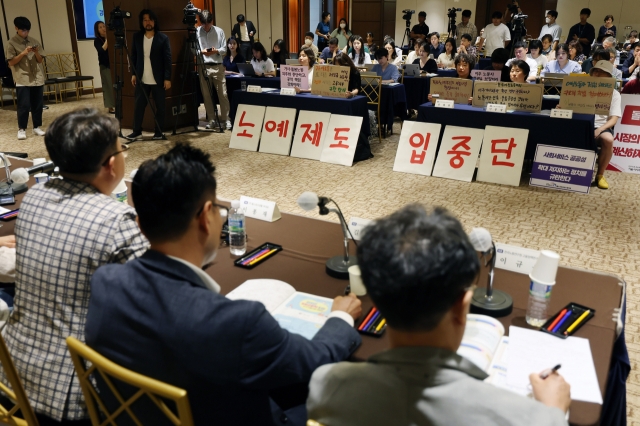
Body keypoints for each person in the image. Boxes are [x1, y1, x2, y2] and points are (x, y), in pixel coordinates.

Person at [85, 143, 362, 425]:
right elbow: (312, 362)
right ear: (206, 216)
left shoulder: (107, 283)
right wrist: (340, 317)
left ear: (140, 224)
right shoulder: (237, 322)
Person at [307, 204, 571, 426]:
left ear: (377, 297)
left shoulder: (326, 385)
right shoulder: (527, 418)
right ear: (462, 306)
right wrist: (554, 412)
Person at [0, 108, 149, 423]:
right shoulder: (115, 220)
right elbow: (152, 300)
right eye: (123, 149)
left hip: (12, 373)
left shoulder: (36, 196)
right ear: (111, 164)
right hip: (69, 396)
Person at [126, 9, 171, 141]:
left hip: (158, 79)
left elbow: (167, 59)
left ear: (155, 21)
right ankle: (136, 131)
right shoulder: (137, 37)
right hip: (141, 78)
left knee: (160, 107)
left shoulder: (163, 38)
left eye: (150, 19)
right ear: (142, 22)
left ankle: (158, 131)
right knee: (139, 106)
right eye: (145, 20)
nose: (148, 22)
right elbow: (133, 56)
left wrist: (167, 78)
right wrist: (133, 74)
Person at [7, 17, 46, 141]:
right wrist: (23, 53)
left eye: (27, 31)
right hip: (22, 77)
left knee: (38, 105)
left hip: (37, 77)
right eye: (23, 30)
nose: (25, 33)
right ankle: (22, 129)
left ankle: (37, 127)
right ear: (16, 28)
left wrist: (36, 52)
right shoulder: (11, 43)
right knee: (23, 106)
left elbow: (40, 60)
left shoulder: (34, 40)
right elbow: (11, 62)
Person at [195, 10, 231, 131]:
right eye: (203, 24)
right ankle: (211, 119)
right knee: (207, 95)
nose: (206, 26)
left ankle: (226, 119)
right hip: (203, 65)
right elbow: (192, 50)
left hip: (218, 65)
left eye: (208, 24)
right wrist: (201, 52)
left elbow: (225, 49)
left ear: (212, 21)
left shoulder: (219, 31)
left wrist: (216, 51)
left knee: (223, 94)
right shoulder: (197, 32)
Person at [590, 60, 621, 190]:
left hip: (600, 127)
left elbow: (614, 119)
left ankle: (600, 175)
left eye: (602, 72)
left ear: (609, 77)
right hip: (579, 123)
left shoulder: (614, 94)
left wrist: (600, 129)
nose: (597, 74)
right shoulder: (580, 87)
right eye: (596, 71)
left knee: (608, 140)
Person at [93, 21, 115, 114]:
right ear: (97, 30)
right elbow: (101, 51)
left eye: (104, 26)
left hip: (113, 64)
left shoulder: (112, 38)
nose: (103, 28)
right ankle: (110, 106)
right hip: (104, 65)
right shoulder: (97, 40)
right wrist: (108, 39)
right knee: (108, 86)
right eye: (100, 27)